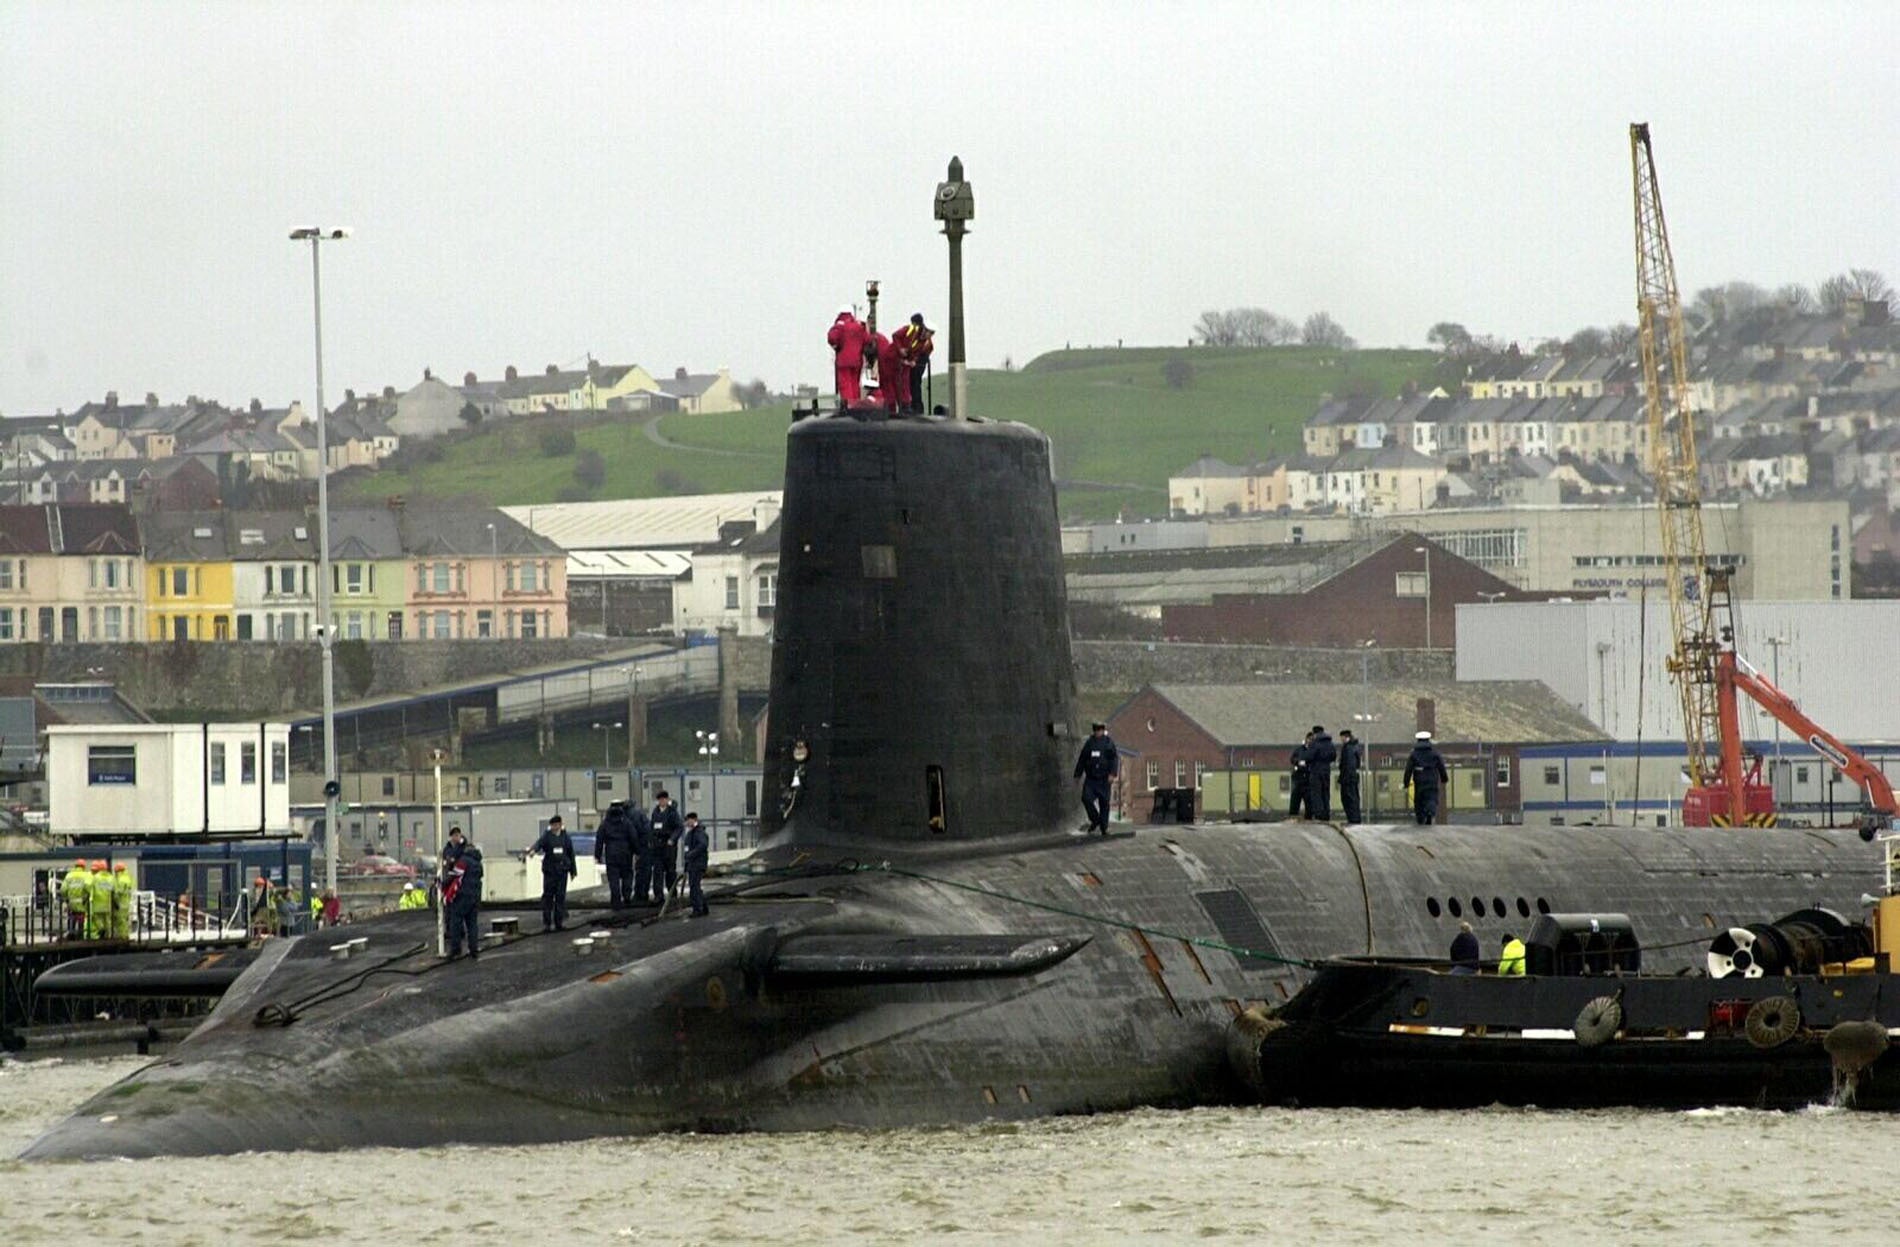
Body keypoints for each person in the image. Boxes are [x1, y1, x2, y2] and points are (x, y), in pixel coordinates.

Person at [529, 813, 579, 932]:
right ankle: (547, 923)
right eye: (553, 825)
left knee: (560, 897)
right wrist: (533, 851)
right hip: (550, 872)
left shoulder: (566, 837)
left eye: (557, 824)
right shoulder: (547, 837)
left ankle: (558, 923)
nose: (555, 827)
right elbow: (538, 844)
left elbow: (571, 854)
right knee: (548, 897)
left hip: (562, 872)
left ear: (560, 825)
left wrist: (573, 871)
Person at [1072, 722, 1120, 835]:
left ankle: (1104, 827)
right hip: (1091, 779)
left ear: (1103, 730)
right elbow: (1082, 759)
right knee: (1086, 798)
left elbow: (1114, 759)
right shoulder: (1089, 743)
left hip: (1104, 779)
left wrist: (1112, 774)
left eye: (1100, 730)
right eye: (1096, 730)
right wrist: (1077, 774)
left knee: (1104, 803)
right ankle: (1095, 819)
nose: (1098, 732)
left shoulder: (1108, 743)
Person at [442, 840, 484, 961]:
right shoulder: (478, 863)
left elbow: (454, 876)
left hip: (462, 897)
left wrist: (442, 884)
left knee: (456, 922)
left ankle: (456, 949)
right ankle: (474, 949)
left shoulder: (463, 861)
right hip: (475, 897)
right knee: (472, 924)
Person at [593, 802, 639, 909]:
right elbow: (633, 837)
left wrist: (597, 855)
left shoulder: (605, 823)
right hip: (625, 853)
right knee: (627, 875)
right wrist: (637, 852)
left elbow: (599, 840)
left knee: (613, 878)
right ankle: (627, 897)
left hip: (611, 853)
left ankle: (616, 900)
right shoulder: (626, 822)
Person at [1402, 731, 1449, 825]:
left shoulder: (1414, 754)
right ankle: (1430, 813)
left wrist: (1406, 783)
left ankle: (1420, 818)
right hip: (1432, 779)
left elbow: (1408, 770)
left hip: (1419, 780)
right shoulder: (1435, 754)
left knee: (1419, 799)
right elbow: (1441, 767)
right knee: (1431, 797)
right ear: (1428, 740)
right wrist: (1444, 778)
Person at [827, 307, 870, 405]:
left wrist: (836, 345)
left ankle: (848, 404)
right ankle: (856, 404)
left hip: (844, 360)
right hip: (857, 361)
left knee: (845, 384)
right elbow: (867, 340)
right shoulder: (859, 326)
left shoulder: (840, 325)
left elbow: (832, 338)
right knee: (855, 383)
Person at [894, 314, 933, 414]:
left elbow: (921, 353)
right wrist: (901, 350)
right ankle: (906, 405)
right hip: (906, 359)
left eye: (931, 333)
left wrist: (914, 361)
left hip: (918, 362)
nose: (928, 335)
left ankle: (916, 408)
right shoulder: (911, 331)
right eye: (928, 332)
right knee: (906, 382)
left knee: (915, 382)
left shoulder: (927, 344)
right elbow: (896, 336)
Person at [649, 791, 684, 900]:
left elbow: (679, 828)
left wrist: (672, 839)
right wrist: (651, 840)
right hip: (657, 846)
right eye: (660, 800)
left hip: (668, 846)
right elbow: (651, 828)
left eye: (664, 799)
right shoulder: (655, 813)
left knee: (670, 871)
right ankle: (658, 895)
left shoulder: (672, 813)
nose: (662, 801)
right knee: (657, 871)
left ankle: (672, 893)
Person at [1304, 726, 1337, 821]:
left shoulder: (1314, 743)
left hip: (1316, 770)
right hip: (1326, 770)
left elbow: (1309, 756)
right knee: (1325, 792)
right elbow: (1333, 756)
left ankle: (1319, 814)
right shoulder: (1330, 743)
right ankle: (1326, 813)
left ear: (1315, 733)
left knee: (1316, 792)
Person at [681, 812, 711, 918]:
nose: (688, 823)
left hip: (698, 863)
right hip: (693, 864)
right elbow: (687, 850)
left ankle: (698, 909)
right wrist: (686, 863)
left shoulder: (699, 833)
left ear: (694, 820)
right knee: (695, 886)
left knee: (694, 886)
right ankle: (702, 906)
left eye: (689, 820)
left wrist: (691, 854)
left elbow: (702, 845)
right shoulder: (690, 834)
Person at [1337, 729, 1364, 824]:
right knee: (1354, 798)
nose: (1341, 740)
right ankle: (1355, 818)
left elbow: (1348, 764)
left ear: (1345, 737)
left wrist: (1344, 777)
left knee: (1348, 799)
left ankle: (1352, 819)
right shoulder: (1355, 747)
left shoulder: (1348, 748)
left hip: (1348, 778)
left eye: (1341, 738)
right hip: (1353, 777)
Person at [62, 858, 91, 940]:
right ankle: (80, 937)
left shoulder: (69, 875)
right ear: (83, 866)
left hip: (71, 904)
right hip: (82, 904)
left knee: (72, 921)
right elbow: (88, 887)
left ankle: (71, 936)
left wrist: (66, 899)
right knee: (81, 923)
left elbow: (63, 889)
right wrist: (87, 896)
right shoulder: (86, 875)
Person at [1287, 732, 1312, 819]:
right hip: (1298, 778)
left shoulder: (1313, 751)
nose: (1310, 741)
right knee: (1295, 799)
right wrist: (1298, 762)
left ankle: (1309, 817)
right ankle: (1293, 816)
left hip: (1308, 779)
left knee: (1309, 801)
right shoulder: (1299, 749)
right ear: (1306, 739)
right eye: (1309, 739)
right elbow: (1292, 759)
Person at [91, 861, 116, 941]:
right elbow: (115, 890)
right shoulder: (111, 878)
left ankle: (101, 930)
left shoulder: (95, 877)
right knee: (108, 921)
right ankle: (108, 935)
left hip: (97, 903)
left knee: (97, 919)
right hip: (108, 904)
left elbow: (91, 889)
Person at [110, 863, 134, 940]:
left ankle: (121, 937)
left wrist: (115, 901)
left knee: (120, 922)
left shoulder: (120, 880)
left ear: (118, 871)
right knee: (125, 922)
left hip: (119, 905)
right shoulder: (128, 878)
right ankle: (125, 936)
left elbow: (117, 892)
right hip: (126, 904)